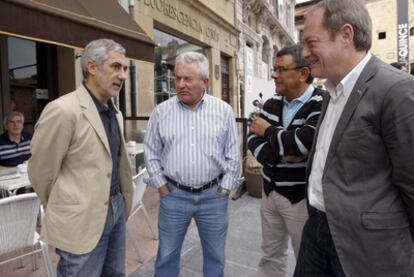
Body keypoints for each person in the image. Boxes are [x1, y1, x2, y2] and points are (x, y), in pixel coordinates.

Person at [295, 0, 414, 276]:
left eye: (311, 42)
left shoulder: (396, 90)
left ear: (346, 35)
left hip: (365, 247)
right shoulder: (331, 91)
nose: (304, 53)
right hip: (315, 231)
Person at [28, 39, 133, 276]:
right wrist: (69, 207)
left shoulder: (115, 113)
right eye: (116, 67)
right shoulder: (63, 110)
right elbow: (41, 172)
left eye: (124, 69)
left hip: (116, 207)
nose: (123, 75)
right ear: (92, 67)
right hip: (80, 218)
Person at [144, 51, 243, 277]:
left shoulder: (223, 111)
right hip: (174, 195)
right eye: (177, 78)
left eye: (187, 79)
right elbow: (151, 153)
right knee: (167, 256)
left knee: (215, 257)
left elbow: (233, 154)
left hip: (213, 197)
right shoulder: (161, 113)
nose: (180, 84)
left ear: (205, 81)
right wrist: (161, 186)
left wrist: (225, 189)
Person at [247, 44, 324, 277]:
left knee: (307, 258)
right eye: (274, 69)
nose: (273, 75)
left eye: (280, 69)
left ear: (303, 73)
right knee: (270, 256)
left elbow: (302, 144)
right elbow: (252, 139)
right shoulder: (271, 103)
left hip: (301, 200)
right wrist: (282, 151)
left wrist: (269, 131)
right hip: (269, 193)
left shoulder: (322, 103)